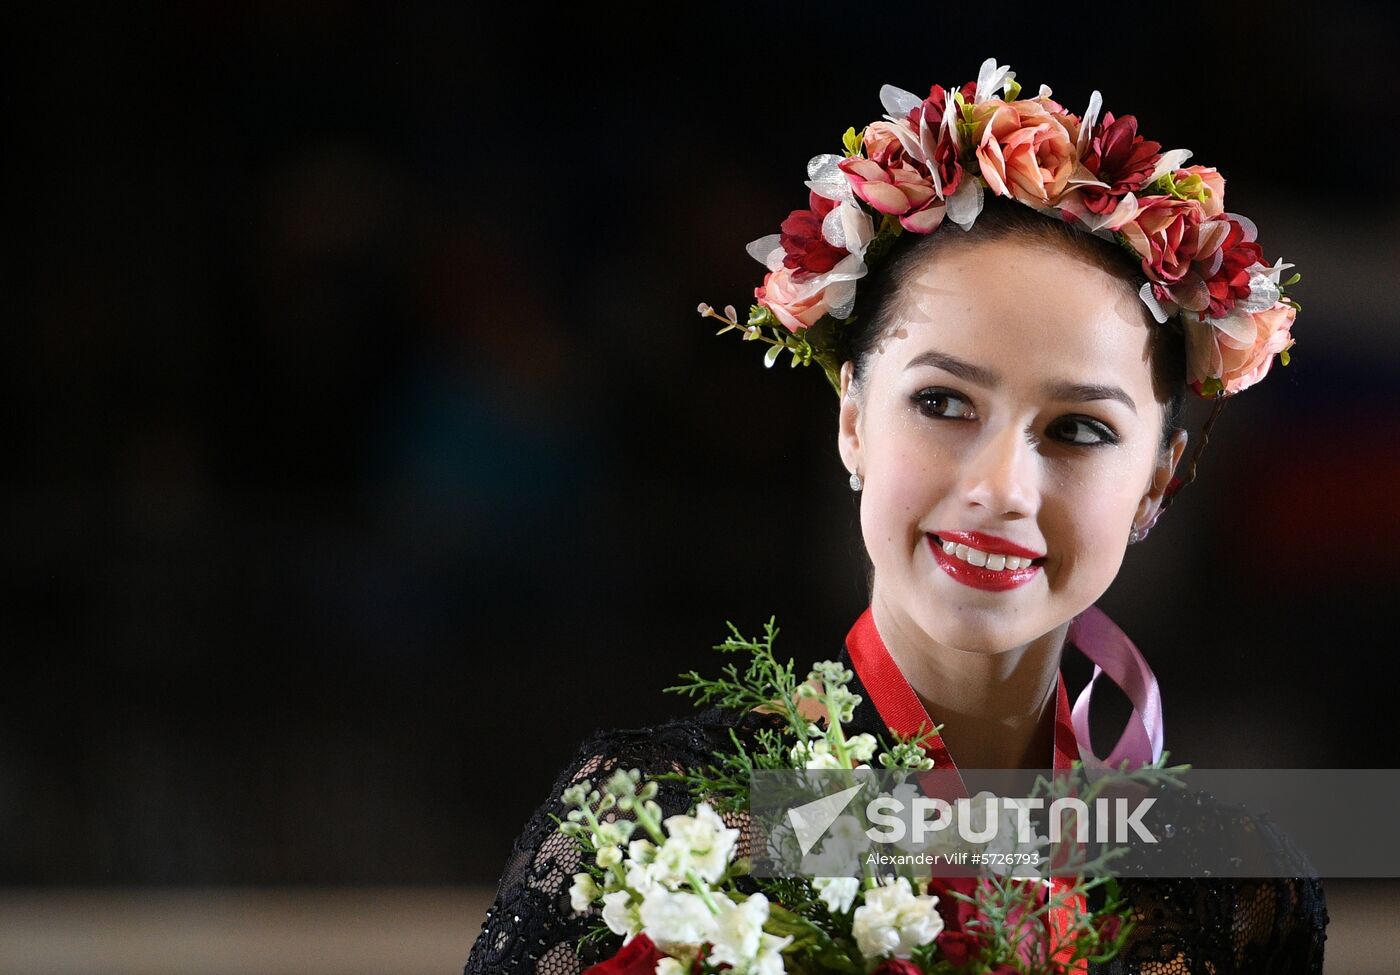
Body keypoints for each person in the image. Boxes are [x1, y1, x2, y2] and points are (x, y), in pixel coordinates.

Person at [463, 61, 1326, 974]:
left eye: (1078, 428)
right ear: (852, 420)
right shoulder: (671, 826)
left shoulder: (1231, 890)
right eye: (946, 403)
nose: (1002, 487)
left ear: (1159, 481)